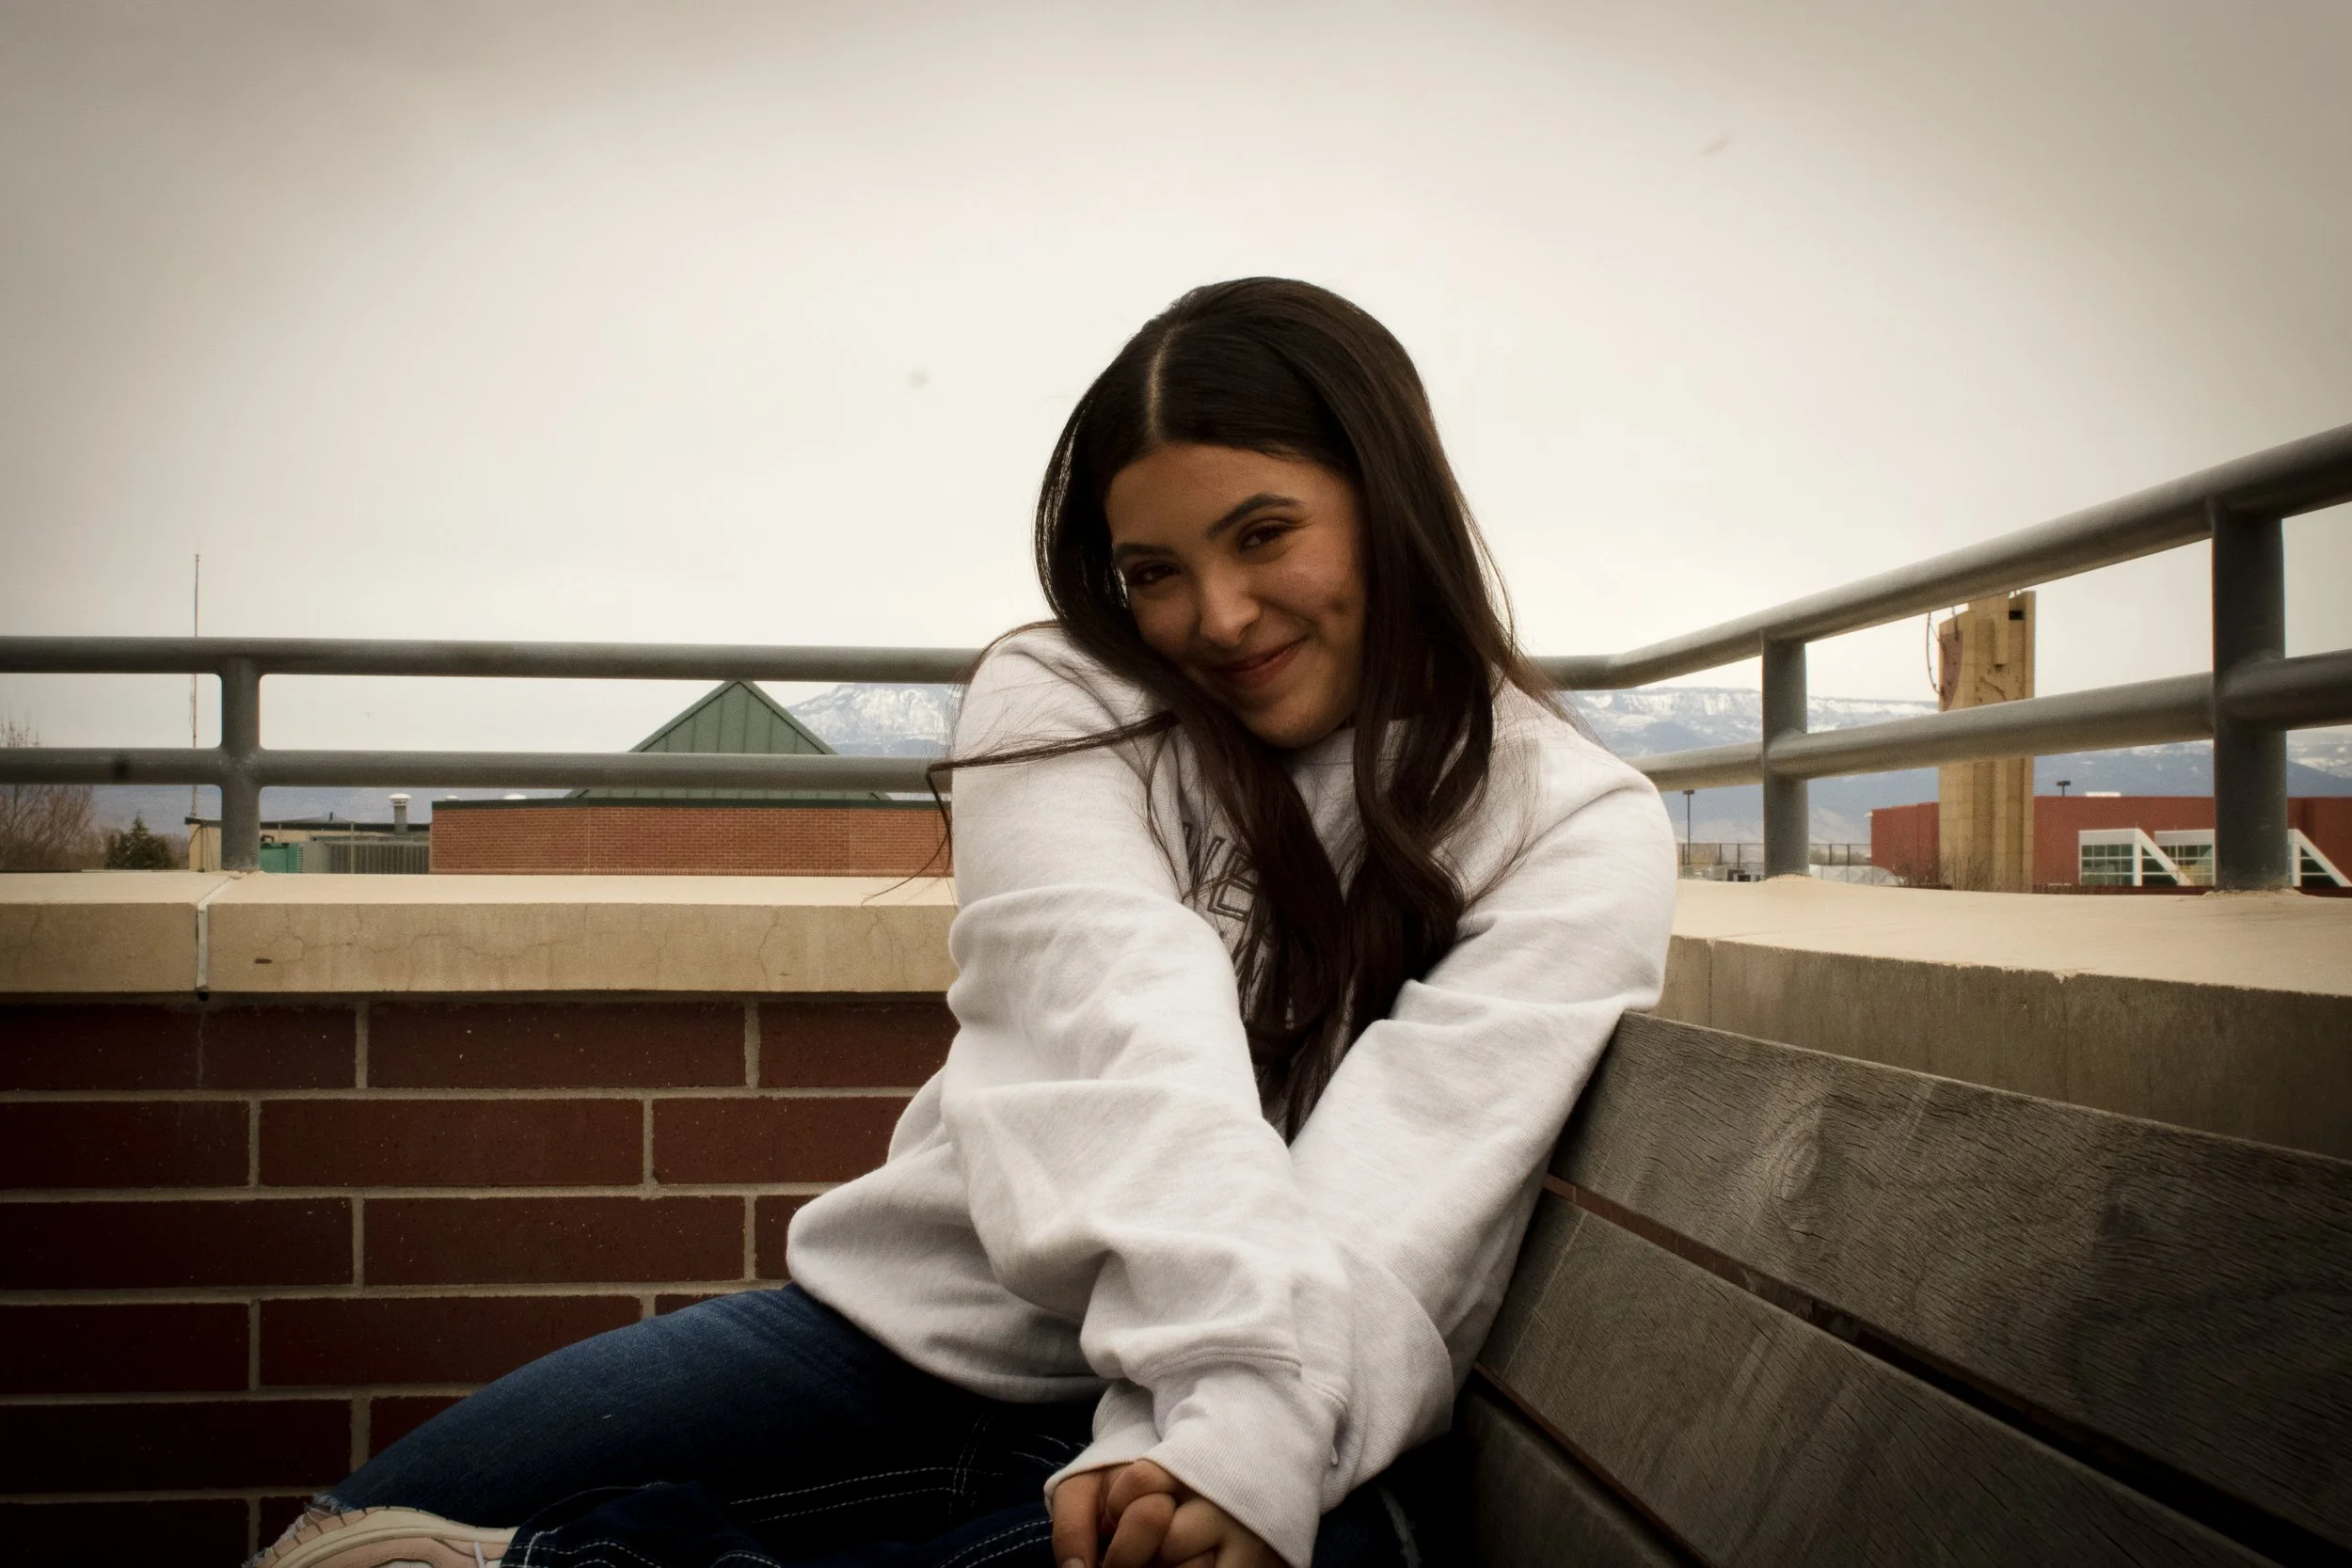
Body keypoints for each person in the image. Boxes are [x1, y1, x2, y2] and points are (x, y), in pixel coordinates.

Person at [252, 278, 1677, 1568]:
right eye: (1153, 569)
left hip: (1291, 1396)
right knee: (330, 1541)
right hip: (909, 1341)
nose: (1219, 615)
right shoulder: (1063, 699)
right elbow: (1117, 1031)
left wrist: (1226, 1433)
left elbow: (1422, 1162)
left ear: (1385, 496)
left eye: (1263, 535)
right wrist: (1234, 1391)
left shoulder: (1572, 822)